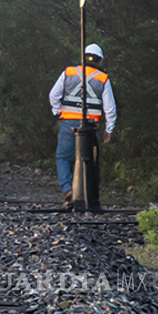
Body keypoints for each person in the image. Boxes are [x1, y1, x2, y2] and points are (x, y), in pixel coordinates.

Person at [48, 43, 116, 205]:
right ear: (99, 61)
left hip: (68, 122)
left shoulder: (68, 72)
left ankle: (67, 189)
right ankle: (88, 193)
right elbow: (110, 108)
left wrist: (58, 111)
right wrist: (109, 129)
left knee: (63, 157)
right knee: (89, 159)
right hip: (91, 125)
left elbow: (53, 95)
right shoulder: (103, 78)